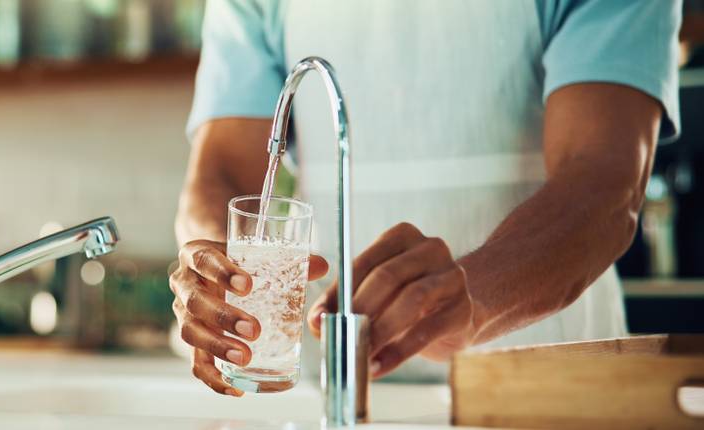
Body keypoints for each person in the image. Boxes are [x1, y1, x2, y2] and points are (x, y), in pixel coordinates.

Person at [169, 0, 681, 396]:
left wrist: (474, 299)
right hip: (338, 384)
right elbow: (223, 169)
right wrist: (213, 269)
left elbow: (605, 181)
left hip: (548, 383)